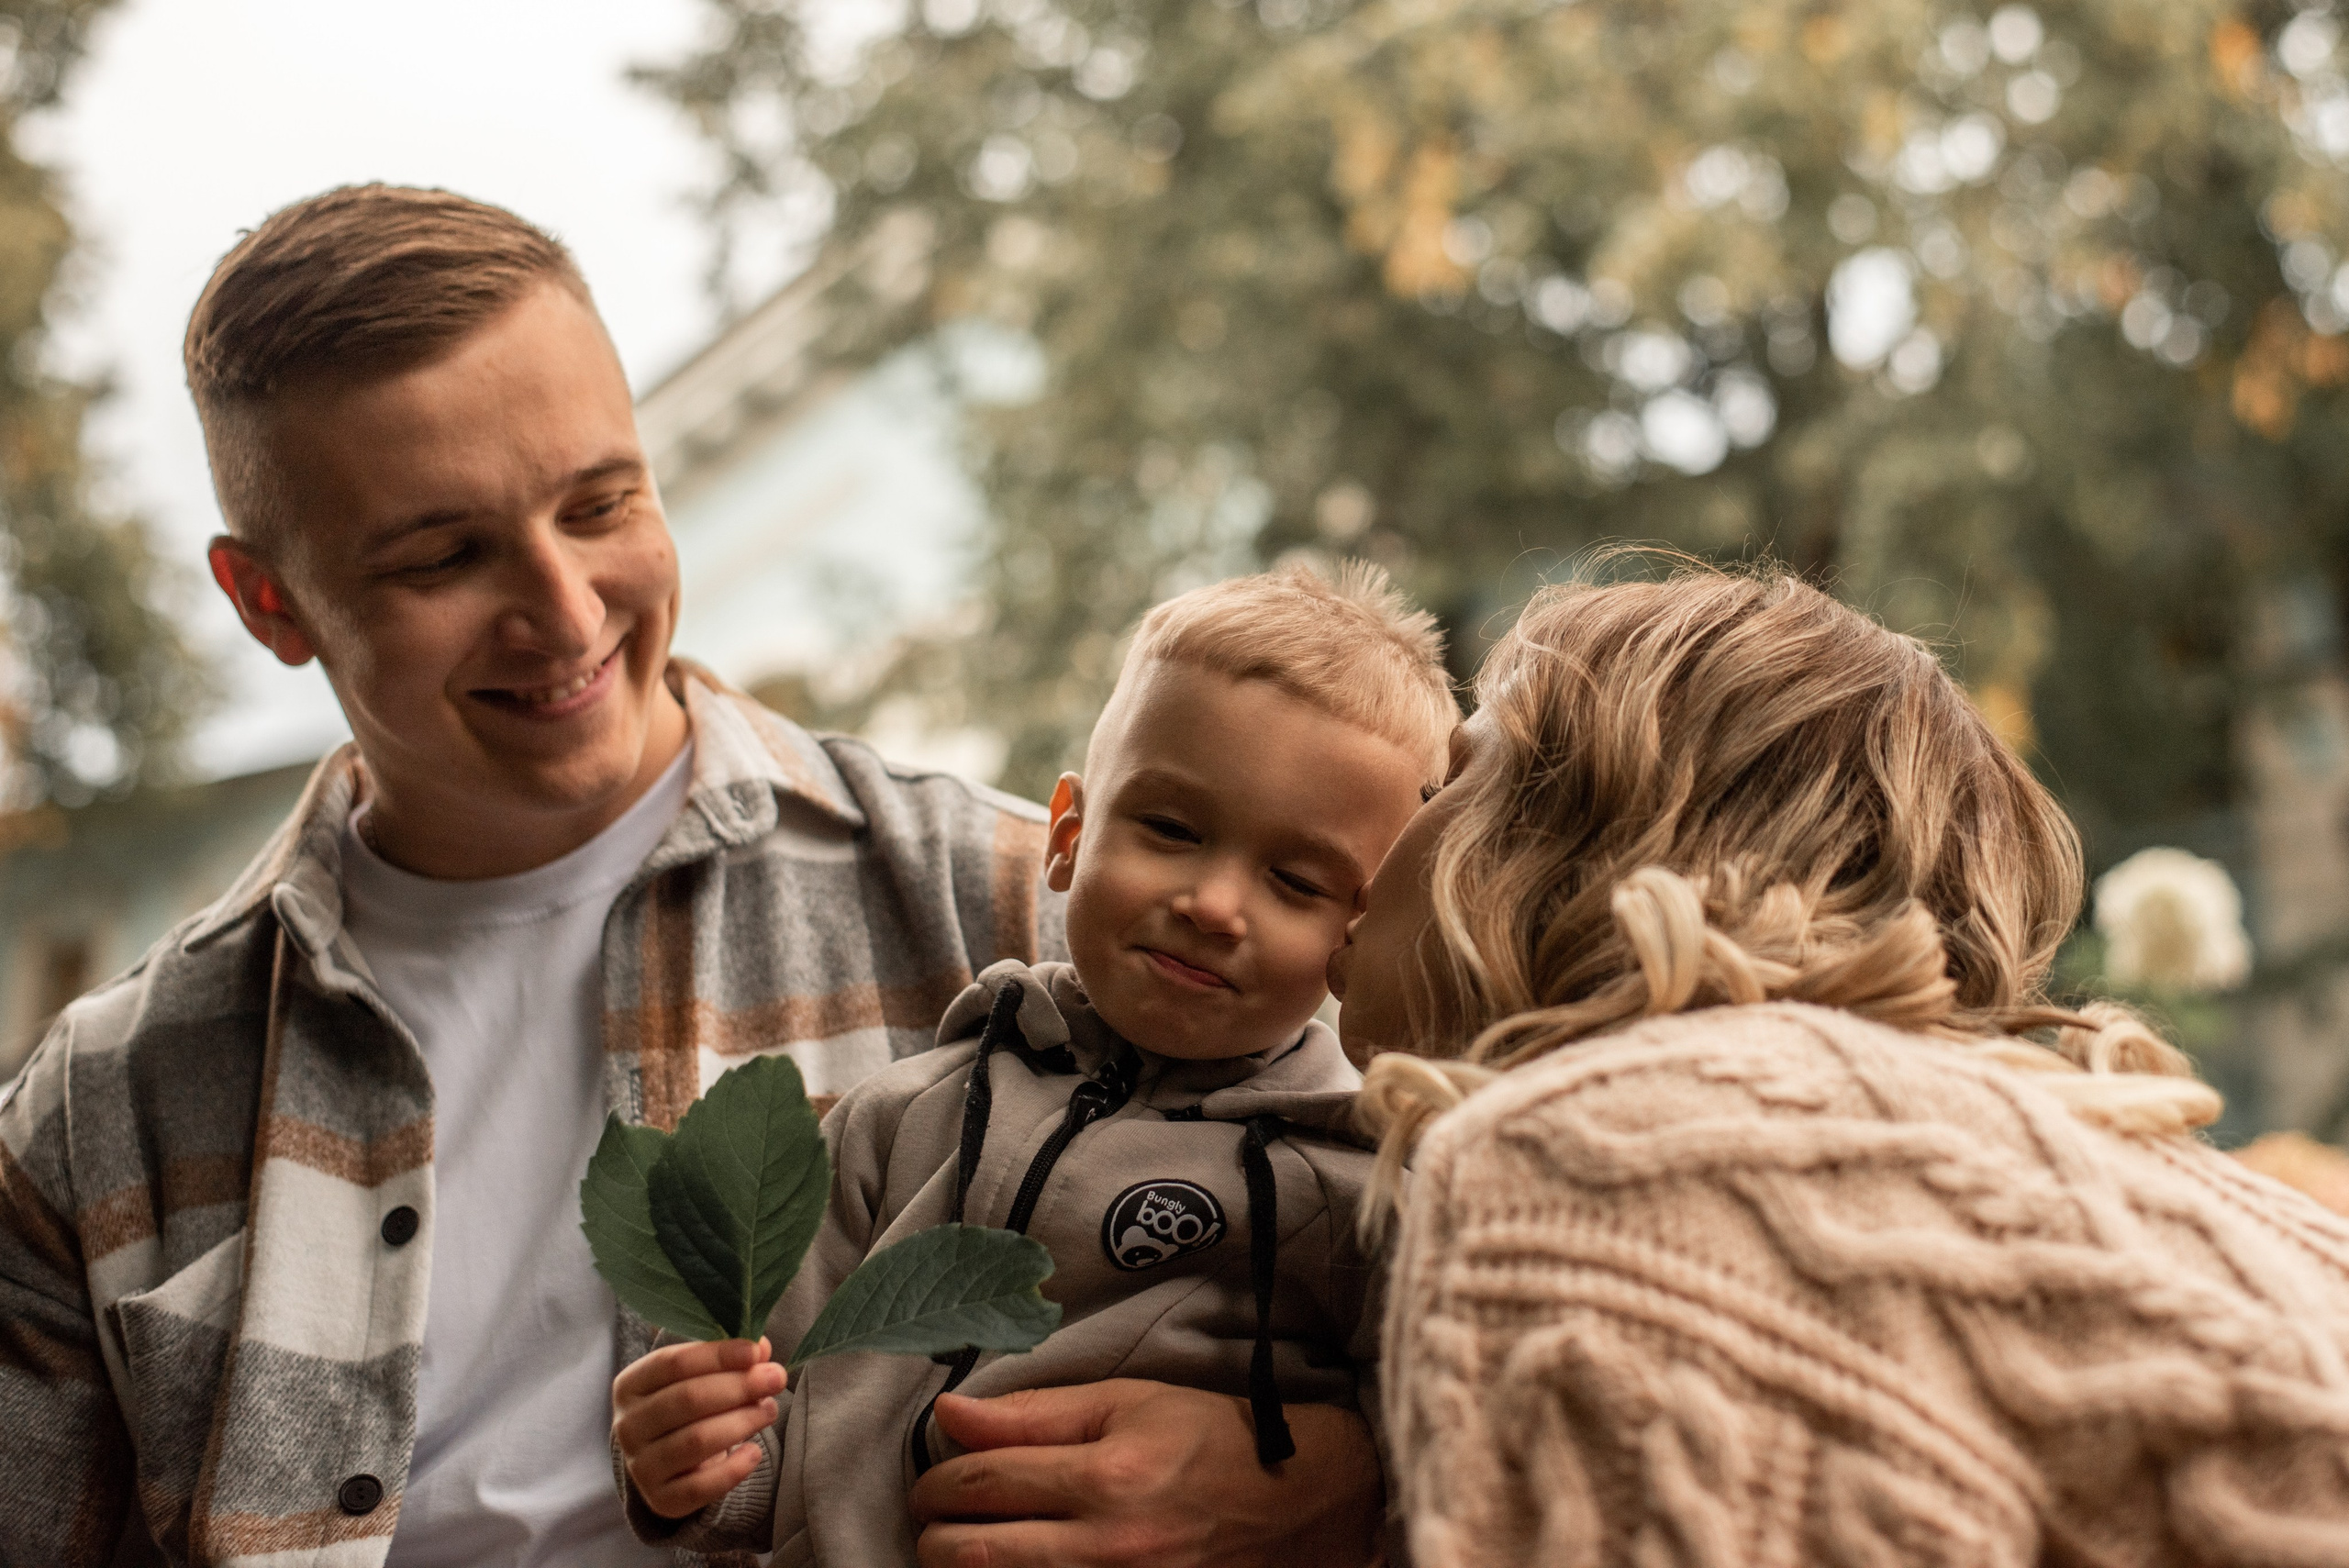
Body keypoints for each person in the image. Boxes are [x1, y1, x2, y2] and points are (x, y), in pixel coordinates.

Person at [0, 185, 1384, 1566]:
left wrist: (1326, 1482)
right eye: (445, 555)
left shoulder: (1036, 912)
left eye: (601, 501)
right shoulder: (99, 1112)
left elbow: (1470, 1281)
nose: (564, 607)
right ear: (268, 601)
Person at [1331, 562, 2349, 1566]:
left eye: (1445, 780)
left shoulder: (1606, 1147)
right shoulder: (2207, 1201)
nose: (1372, 852)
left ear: (1559, 837)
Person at [611, 565, 1455, 1563]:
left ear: (1358, 939)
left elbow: (1445, 1465)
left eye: (1294, 880)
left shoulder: (1360, 1189)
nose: (1215, 902)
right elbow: (767, 1430)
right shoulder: (893, 1121)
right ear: (1068, 833)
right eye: (1172, 829)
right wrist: (691, 1461)